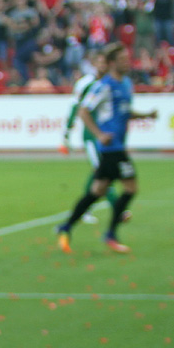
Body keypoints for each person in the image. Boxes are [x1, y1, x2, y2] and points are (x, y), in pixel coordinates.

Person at [55, 43, 158, 254]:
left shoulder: (126, 83)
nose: (127, 63)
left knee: (97, 191)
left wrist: (146, 115)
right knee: (130, 188)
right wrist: (99, 134)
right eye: (122, 60)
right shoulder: (103, 86)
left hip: (116, 147)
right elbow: (83, 111)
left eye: (127, 59)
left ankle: (66, 227)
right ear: (112, 63)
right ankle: (110, 234)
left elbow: (125, 111)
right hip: (112, 148)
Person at [61, 50, 121, 224]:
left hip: (106, 135)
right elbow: (75, 106)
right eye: (100, 62)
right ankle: (118, 209)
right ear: (94, 64)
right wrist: (67, 130)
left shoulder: (110, 83)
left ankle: (84, 209)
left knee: (99, 171)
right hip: (91, 136)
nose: (103, 65)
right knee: (101, 171)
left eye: (105, 62)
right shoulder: (85, 83)